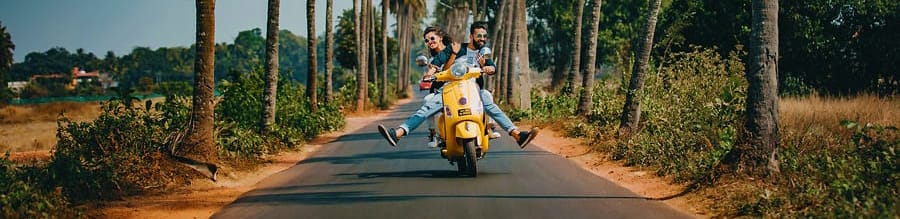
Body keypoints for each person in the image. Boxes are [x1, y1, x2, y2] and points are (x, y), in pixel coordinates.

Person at [377, 23, 538, 149]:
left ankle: (517, 135)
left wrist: (489, 68)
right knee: (427, 107)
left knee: (489, 102)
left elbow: (490, 65)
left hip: (472, 88)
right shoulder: (450, 50)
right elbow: (435, 65)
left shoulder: (476, 51)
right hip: (448, 90)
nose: (481, 38)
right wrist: (429, 73)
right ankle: (398, 133)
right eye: (427, 40)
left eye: (483, 36)